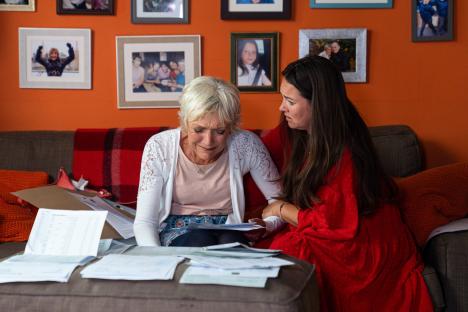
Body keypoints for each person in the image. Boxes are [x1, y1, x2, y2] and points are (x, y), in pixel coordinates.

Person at [259, 56, 434, 311]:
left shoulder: (345, 151)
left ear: (318, 105)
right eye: (282, 97)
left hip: (360, 234)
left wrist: (281, 209)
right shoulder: (292, 128)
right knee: (262, 246)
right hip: (331, 220)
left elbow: (334, 222)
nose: (280, 108)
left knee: (291, 249)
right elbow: (254, 152)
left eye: (290, 101)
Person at [134, 76, 283, 247]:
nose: (208, 141)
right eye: (199, 129)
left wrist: (267, 225)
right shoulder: (160, 146)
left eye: (219, 131)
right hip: (178, 231)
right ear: (184, 122)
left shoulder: (246, 144)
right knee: (201, 239)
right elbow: (145, 221)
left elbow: (280, 202)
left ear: (231, 127)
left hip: (229, 229)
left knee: (230, 243)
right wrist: (156, 262)